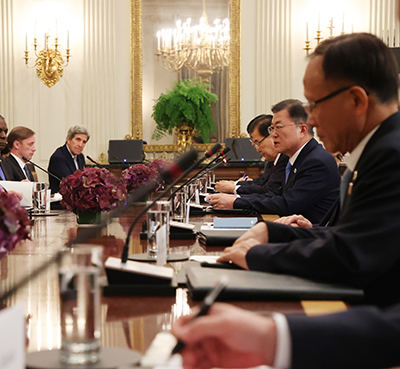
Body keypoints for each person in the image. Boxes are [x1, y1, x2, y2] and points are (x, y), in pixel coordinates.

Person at [171, 32, 400, 369]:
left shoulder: (391, 155)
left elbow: (352, 256)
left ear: (356, 100)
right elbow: (348, 237)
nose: (312, 120)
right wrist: (273, 233)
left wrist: (261, 259)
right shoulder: (377, 150)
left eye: (315, 105)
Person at [206, 99, 339, 224]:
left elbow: (287, 204)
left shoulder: (316, 161)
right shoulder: (300, 158)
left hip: (311, 239)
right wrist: (236, 199)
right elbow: (276, 194)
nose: (273, 134)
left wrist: (236, 202)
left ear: (302, 130)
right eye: (272, 128)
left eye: (278, 127)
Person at [215, 114, 288, 196]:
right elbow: (263, 182)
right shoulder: (272, 160)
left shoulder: (285, 158)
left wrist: (233, 189)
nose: (257, 149)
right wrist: (237, 184)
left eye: (258, 143)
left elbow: (269, 190)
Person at [47, 125, 89, 193]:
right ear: (68, 139)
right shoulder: (58, 157)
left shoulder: (80, 157)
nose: (80, 145)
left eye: (84, 142)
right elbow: (71, 182)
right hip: (60, 200)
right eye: (78, 140)